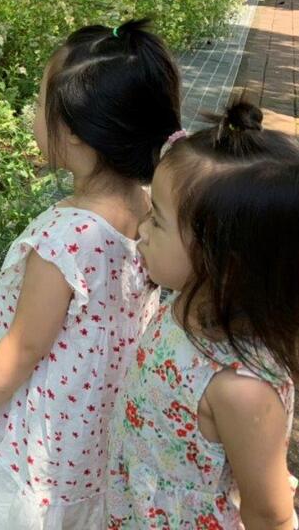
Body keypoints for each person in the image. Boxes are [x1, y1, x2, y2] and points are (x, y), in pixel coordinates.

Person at [0, 20, 182, 529]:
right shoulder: (149, 209)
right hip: (103, 415)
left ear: (76, 133)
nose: (32, 116)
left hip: (52, 433)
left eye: (39, 105)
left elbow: (26, 342)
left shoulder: (63, 238)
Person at [107, 103, 299, 530]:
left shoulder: (241, 388)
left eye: (156, 220)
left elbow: (269, 513)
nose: (141, 228)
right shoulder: (186, 303)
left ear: (219, 262)